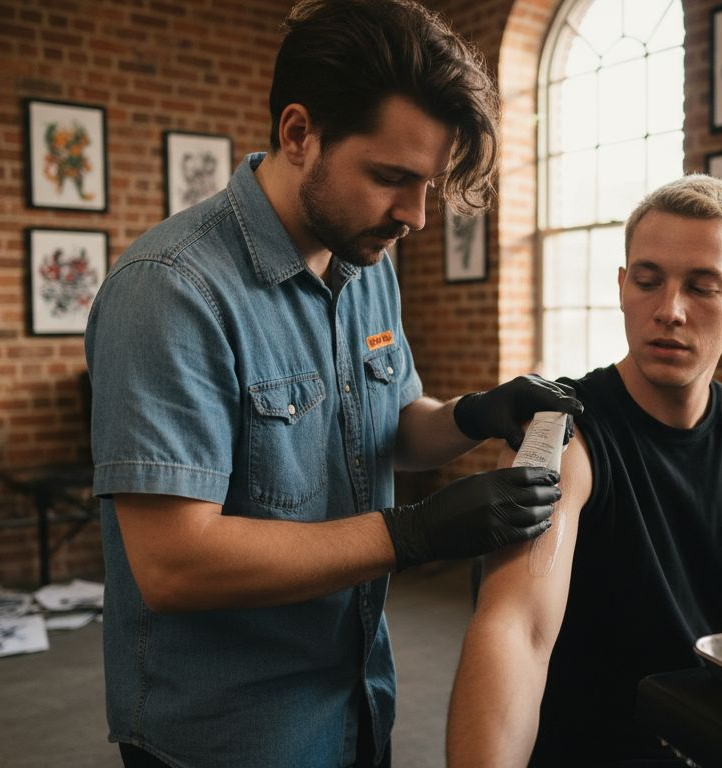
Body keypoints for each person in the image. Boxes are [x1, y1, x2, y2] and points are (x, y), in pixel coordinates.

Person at [84, 2, 582, 766]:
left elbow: (391, 428)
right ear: (297, 133)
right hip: (229, 736)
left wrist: (476, 413)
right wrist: (414, 534)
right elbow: (175, 564)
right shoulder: (172, 290)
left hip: (355, 700)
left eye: (430, 186)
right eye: (391, 178)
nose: (414, 216)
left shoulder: (365, 257)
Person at [446, 174, 722, 767]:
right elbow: (516, 630)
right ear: (621, 286)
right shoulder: (562, 432)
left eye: (702, 287)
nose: (669, 311)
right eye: (648, 280)